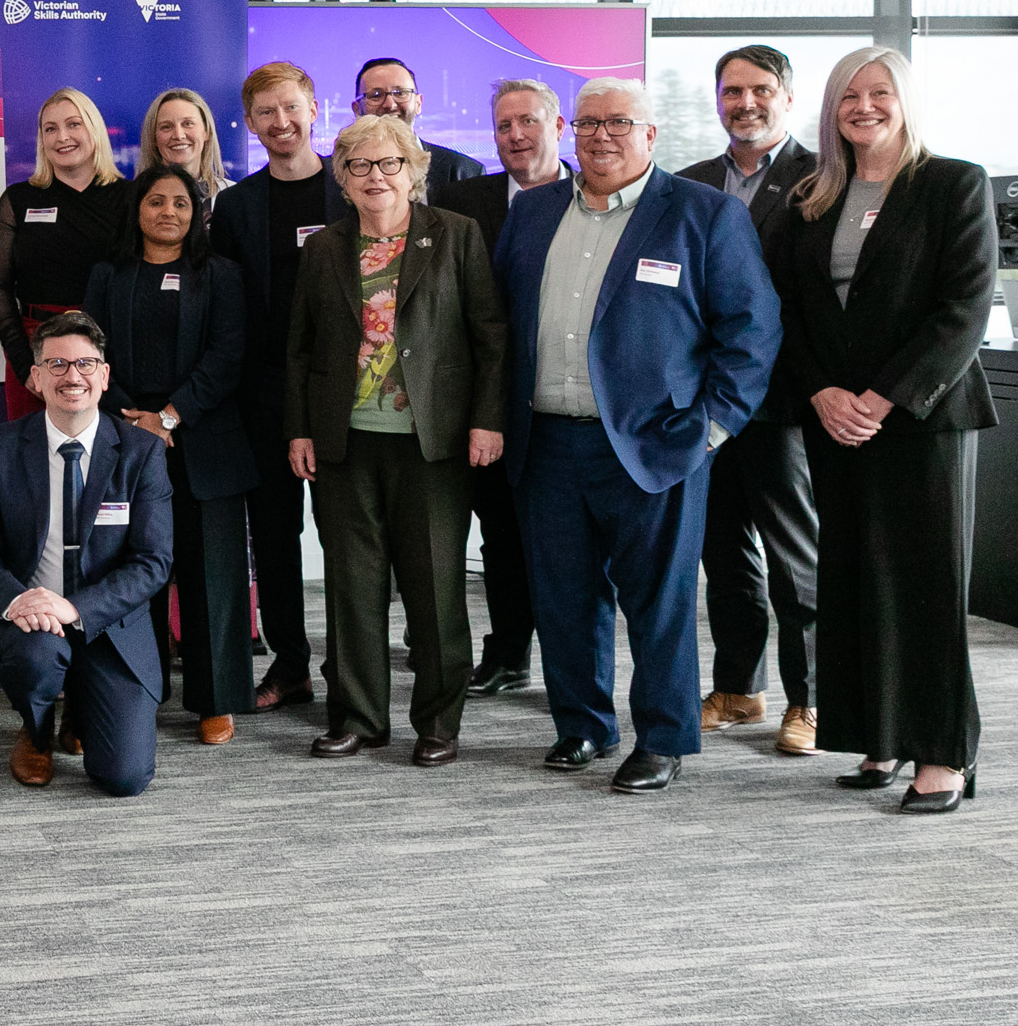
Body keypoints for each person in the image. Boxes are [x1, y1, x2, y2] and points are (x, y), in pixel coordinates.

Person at [490, 78, 779, 794]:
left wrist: (711, 426)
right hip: (548, 440)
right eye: (587, 122)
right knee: (563, 595)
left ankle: (663, 736)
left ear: (651, 135)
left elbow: (753, 333)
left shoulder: (702, 214)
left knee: (661, 601)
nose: (601, 135)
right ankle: (583, 723)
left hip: (658, 442)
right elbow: (497, 324)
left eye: (619, 121)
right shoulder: (531, 212)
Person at [763, 48, 998, 814]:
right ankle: (881, 736)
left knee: (925, 587)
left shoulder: (951, 183)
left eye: (878, 92)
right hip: (836, 420)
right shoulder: (813, 196)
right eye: (847, 96)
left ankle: (944, 754)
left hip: (921, 420)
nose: (862, 106)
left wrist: (883, 398)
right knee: (855, 580)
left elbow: (963, 309)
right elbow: (788, 312)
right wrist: (824, 392)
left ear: (905, 100)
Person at [286, 117, 507, 766]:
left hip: (432, 444)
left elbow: (490, 336)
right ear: (344, 178)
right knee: (352, 586)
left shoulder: (456, 236)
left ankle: (439, 721)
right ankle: (358, 716)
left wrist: (487, 420)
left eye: (389, 163)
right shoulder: (324, 247)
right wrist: (299, 426)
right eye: (359, 165)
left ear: (413, 170)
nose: (375, 175)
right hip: (344, 442)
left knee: (436, 586)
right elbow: (299, 348)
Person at [0, 311, 174, 796]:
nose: (72, 376)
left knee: (124, 778)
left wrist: (75, 608)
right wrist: (20, 602)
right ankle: (35, 731)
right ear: (34, 378)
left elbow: (152, 563)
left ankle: (82, 703)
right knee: (37, 658)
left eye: (85, 364)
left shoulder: (142, 453)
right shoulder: (0, 446)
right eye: (56, 364)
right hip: (30, 621)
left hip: (108, 624)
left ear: (104, 375)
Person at [673, 45, 822, 755]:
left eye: (760, 90)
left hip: (782, 401)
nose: (745, 103)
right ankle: (739, 688)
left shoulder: (821, 178)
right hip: (705, 403)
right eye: (732, 91)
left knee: (796, 561)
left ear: (787, 97)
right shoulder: (692, 181)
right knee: (723, 553)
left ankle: (812, 699)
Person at [84, 162, 258, 744]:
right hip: (125, 437)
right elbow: (91, 352)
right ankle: (134, 690)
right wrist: (137, 420)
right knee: (131, 572)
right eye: (155, 202)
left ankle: (217, 699)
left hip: (202, 436)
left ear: (198, 212)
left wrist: (171, 416)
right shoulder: (109, 274)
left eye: (180, 203)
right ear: (136, 211)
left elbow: (230, 354)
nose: (168, 213)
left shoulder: (222, 275)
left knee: (213, 572)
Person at [211, 62, 348, 712]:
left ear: (315, 109)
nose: (281, 122)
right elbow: (229, 308)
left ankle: (348, 668)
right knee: (273, 536)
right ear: (250, 123)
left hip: (344, 391)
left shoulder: (351, 191)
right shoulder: (235, 206)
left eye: (291, 107)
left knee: (347, 535)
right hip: (263, 393)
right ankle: (289, 664)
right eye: (266, 112)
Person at [432, 78, 569, 698]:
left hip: (571, 399)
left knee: (568, 541)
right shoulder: (464, 202)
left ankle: (571, 667)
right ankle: (510, 651)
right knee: (502, 534)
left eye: (528, 122)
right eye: (504, 126)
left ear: (558, 127)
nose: (515, 136)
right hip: (486, 398)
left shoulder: (592, 195)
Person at [0, 88, 130, 422]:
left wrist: (118, 364)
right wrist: (25, 365)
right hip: (38, 353)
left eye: (73, 124)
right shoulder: (17, 201)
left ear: (93, 129)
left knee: (109, 463)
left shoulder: (131, 198)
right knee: (30, 462)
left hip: (110, 354)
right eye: (50, 129)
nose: (62, 137)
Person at [354, 57, 487, 193]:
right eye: (376, 95)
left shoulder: (465, 172)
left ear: (418, 103)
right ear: (357, 109)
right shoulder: (332, 174)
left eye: (400, 93)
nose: (390, 104)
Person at [138, 86, 231, 200]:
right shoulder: (132, 198)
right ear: (153, 138)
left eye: (188, 124)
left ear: (207, 132)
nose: (178, 135)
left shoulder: (234, 197)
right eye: (166, 127)